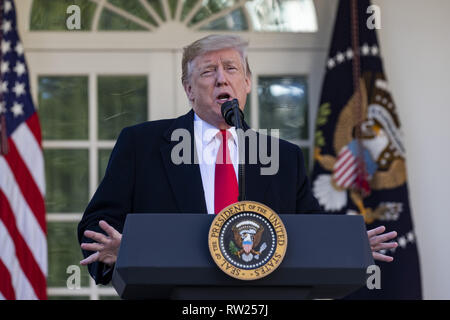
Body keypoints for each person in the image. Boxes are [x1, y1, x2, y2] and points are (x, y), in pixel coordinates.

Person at [77, 34, 398, 285]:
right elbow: (98, 227)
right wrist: (123, 251)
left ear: (246, 84)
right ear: (189, 88)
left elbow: (307, 231)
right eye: (208, 71)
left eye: (231, 69)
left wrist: (347, 246)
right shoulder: (141, 144)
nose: (221, 79)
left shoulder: (284, 157)